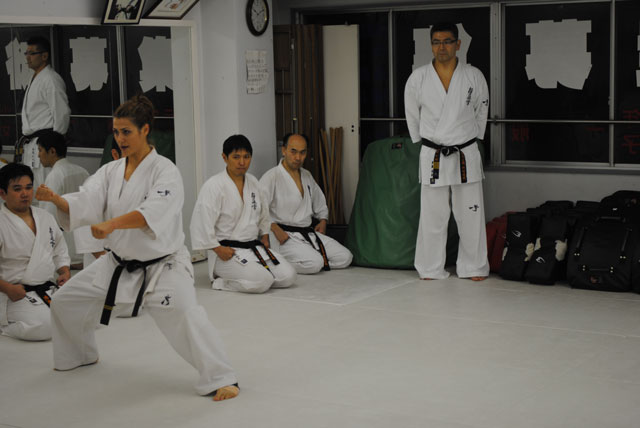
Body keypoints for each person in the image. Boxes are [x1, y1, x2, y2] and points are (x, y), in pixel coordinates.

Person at [36, 95, 238, 401]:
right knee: (65, 301)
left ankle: (222, 378)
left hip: (163, 265)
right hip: (119, 263)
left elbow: (151, 213)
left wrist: (111, 225)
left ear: (145, 130)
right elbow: (87, 200)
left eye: (126, 132)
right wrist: (57, 200)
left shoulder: (165, 171)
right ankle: (80, 354)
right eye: (116, 132)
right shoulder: (111, 170)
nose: (120, 138)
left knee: (186, 314)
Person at [404, 22, 490, 281]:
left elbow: (481, 110)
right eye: (436, 42)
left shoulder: (473, 75)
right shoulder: (418, 78)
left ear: (458, 44)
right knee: (433, 215)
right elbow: (412, 115)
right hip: (433, 153)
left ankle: (473, 266)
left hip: (465, 151)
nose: (442, 47)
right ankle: (430, 267)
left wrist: (471, 136)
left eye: (447, 41)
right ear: (431, 45)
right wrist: (422, 140)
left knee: (471, 213)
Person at [190, 134, 297, 293]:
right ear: (224, 157)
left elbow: (263, 213)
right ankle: (221, 282)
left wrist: (265, 235)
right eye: (236, 157)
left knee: (288, 276)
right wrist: (218, 249)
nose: (242, 162)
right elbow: (201, 222)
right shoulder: (214, 185)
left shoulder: (253, 182)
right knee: (263, 281)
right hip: (226, 253)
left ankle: (252, 275)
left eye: (246, 157)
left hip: (252, 248)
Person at [259, 133, 353, 274]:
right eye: (293, 151)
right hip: (282, 236)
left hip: (307, 233)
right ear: (284, 150)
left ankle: (308, 257)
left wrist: (323, 220)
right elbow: (258, 209)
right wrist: (274, 227)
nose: (298, 157)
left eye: (302, 152)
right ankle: (274, 260)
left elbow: (319, 201)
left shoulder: (306, 175)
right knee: (315, 263)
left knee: (345, 257)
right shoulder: (271, 177)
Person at [0, 163, 70, 341]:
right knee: (44, 327)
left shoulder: (45, 217)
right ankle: (4, 326)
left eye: (28, 187)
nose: (25, 193)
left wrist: (64, 271)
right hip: (13, 294)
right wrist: (8, 288)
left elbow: (59, 248)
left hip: (46, 288)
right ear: (2, 193)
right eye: (17, 189)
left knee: (83, 315)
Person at [37, 130, 100, 269]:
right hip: (86, 245)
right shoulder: (82, 171)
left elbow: (49, 217)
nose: (38, 155)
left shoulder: (55, 175)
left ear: (52, 151)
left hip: (67, 250)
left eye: (40, 150)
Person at [16, 36, 70, 195]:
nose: (28, 57)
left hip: (46, 144)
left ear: (44, 56)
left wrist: (54, 145)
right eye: (26, 53)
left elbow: (62, 112)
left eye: (32, 53)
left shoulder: (51, 79)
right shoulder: (35, 78)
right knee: (33, 187)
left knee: (46, 186)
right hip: (33, 144)